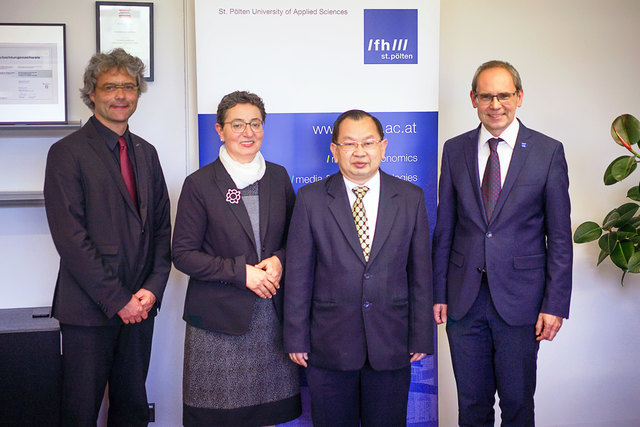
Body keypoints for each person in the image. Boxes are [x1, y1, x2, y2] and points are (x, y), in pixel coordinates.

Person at [432, 60, 572, 426]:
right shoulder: (454, 149)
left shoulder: (547, 152)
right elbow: (445, 226)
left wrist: (555, 304)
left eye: (504, 95)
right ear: (473, 99)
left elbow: (558, 237)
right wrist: (439, 292)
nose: (496, 104)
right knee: (472, 406)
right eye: (486, 96)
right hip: (464, 301)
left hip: (521, 302)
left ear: (519, 97)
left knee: (517, 404)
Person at [43, 48, 171, 426]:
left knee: (132, 408)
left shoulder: (146, 153)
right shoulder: (66, 153)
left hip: (142, 307)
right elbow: (70, 238)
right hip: (88, 310)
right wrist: (119, 300)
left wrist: (152, 290)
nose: (121, 95)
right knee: (80, 411)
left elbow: (162, 230)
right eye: (110, 87)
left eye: (129, 87)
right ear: (92, 94)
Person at [283, 109, 433, 426]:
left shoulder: (410, 197)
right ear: (335, 150)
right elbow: (298, 273)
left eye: (368, 142)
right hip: (329, 344)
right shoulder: (310, 199)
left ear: (383, 146)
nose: (360, 152)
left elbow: (420, 273)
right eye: (349, 144)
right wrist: (296, 336)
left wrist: (421, 335)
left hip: (391, 341)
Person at [172, 91, 301, 426]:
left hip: (271, 316)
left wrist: (280, 260)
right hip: (218, 323)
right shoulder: (199, 184)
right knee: (219, 416)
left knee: (269, 414)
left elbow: (296, 239)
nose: (248, 132)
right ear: (220, 130)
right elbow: (183, 255)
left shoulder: (278, 176)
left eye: (255, 124)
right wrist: (240, 273)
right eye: (238, 124)